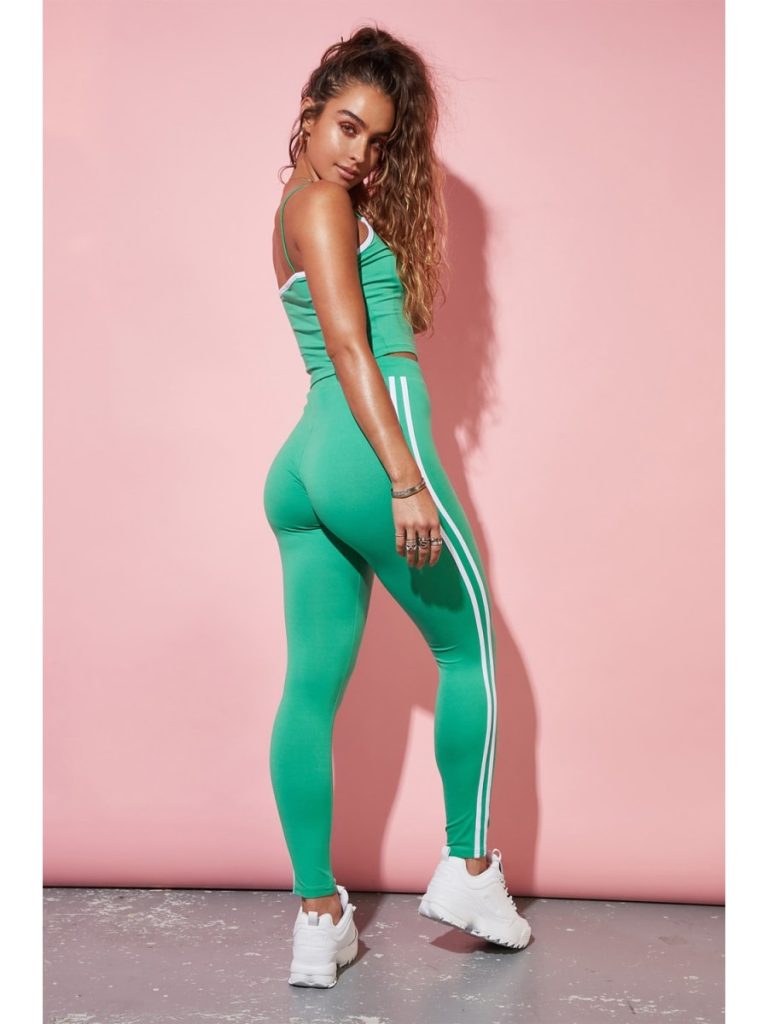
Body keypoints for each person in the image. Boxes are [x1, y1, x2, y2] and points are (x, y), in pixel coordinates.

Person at [263, 25, 532, 988]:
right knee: (472, 652)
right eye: (346, 125)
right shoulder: (323, 204)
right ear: (309, 112)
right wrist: (406, 479)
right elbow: (350, 348)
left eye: (378, 141)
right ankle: (469, 871)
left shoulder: (294, 207)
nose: (358, 153)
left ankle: (318, 919)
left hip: (305, 464)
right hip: (370, 445)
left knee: (309, 690)